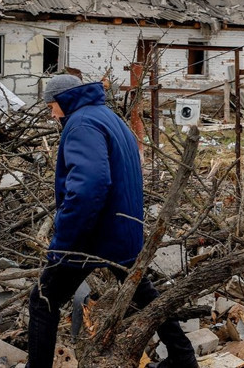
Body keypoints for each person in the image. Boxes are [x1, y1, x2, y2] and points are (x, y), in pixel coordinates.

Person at [26, 74, 198, 368]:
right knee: (145, 295)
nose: (51, 114)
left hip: (92, 236)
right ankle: (183, 356)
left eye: (51, 106)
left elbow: (89, 186)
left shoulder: (81, 124)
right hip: (122, 231)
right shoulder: (109, 117)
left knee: (43, 300)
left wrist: (65, 240)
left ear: (63, 101)